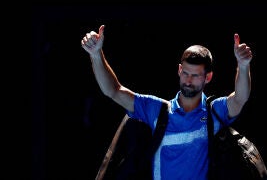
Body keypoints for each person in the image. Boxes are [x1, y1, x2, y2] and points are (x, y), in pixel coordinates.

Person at [81, 25, 253, 180]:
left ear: (208, 77)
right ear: (179, 70)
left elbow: (240, 98)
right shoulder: (156, 110)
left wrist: (243, 66)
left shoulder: (214, 112)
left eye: (195, 75)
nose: (188, 80)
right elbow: (113, 91)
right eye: (185, 73)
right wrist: (96, 54)